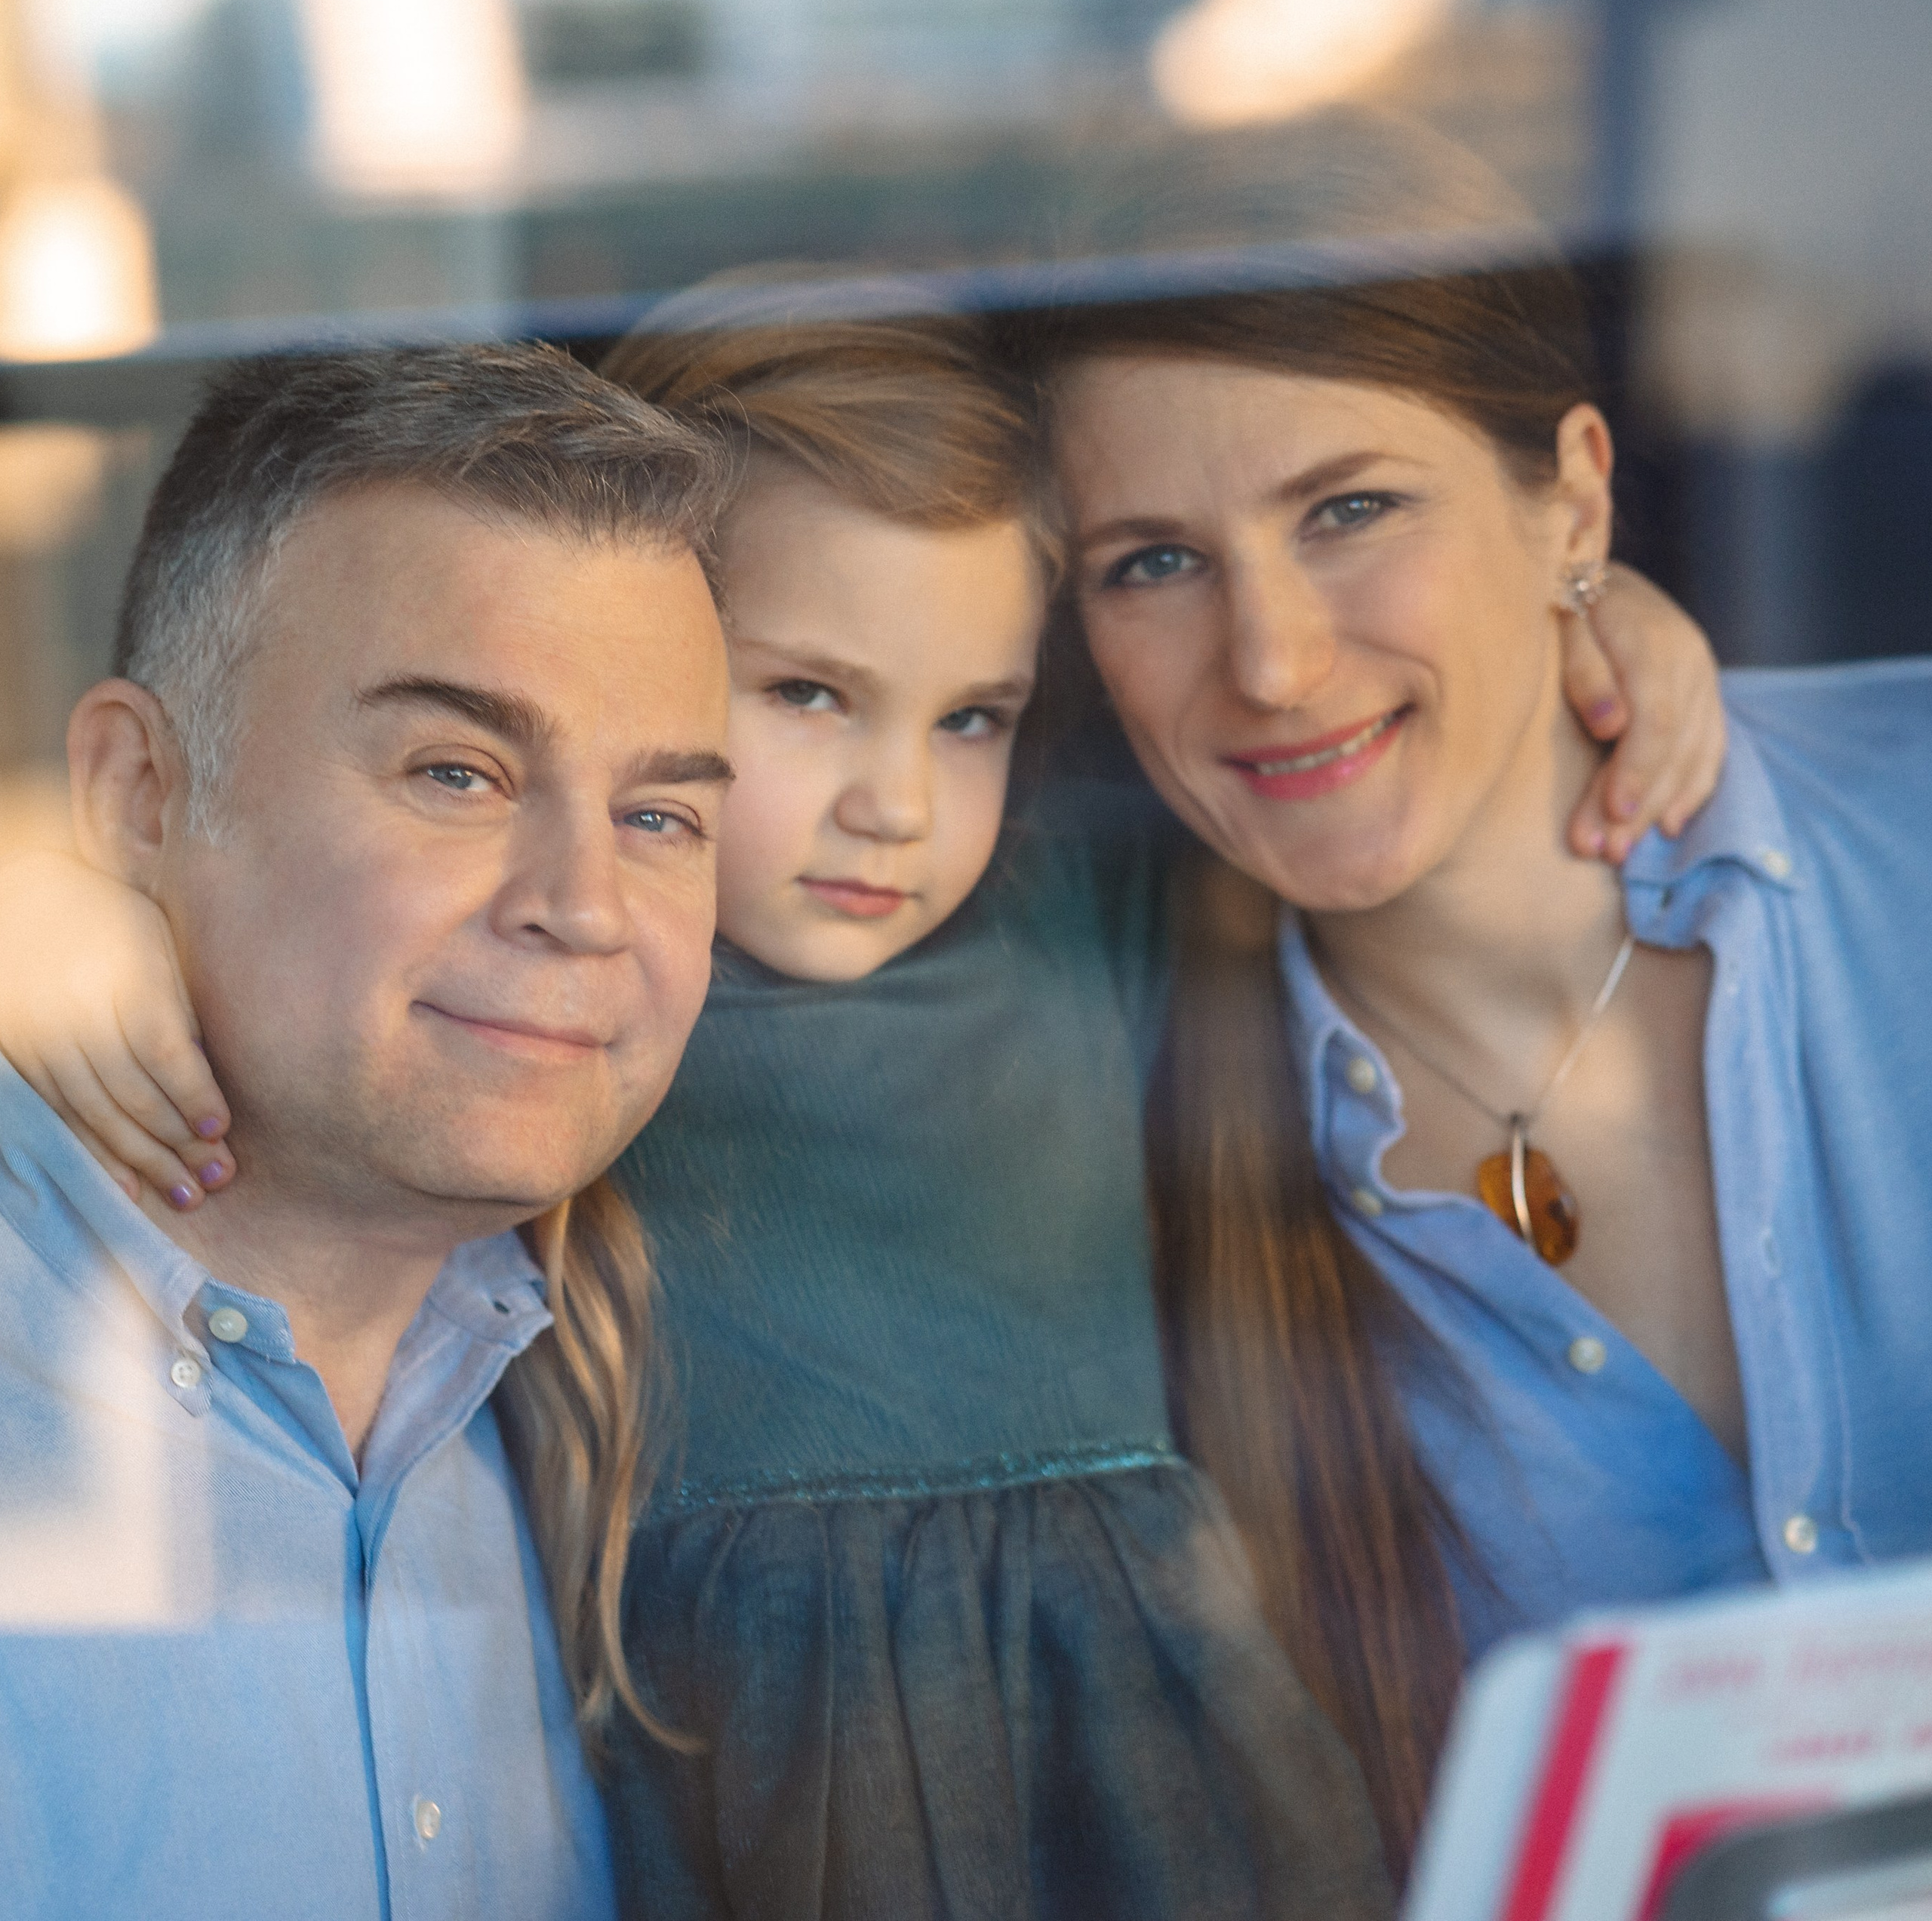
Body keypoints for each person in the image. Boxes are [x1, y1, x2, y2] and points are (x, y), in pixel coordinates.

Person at [0, 301, 1723, 1901]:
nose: (894, 805)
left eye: (973, 717)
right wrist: (62, 899)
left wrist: (1582, 614)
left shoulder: (1054, 925)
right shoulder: (538, 1100)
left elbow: (1289, 737)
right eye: (806, 698)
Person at [1032, 104, 1932, 1862]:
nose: (1272, 661)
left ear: (1572, 493)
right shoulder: (1094, 1099)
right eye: (1152, 561)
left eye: (1351, 508)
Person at [0, 343, 734, 1920]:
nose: (587, 906)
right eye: (456, 771)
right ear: (136, 790)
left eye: (660, 814)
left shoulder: (589, 1393)